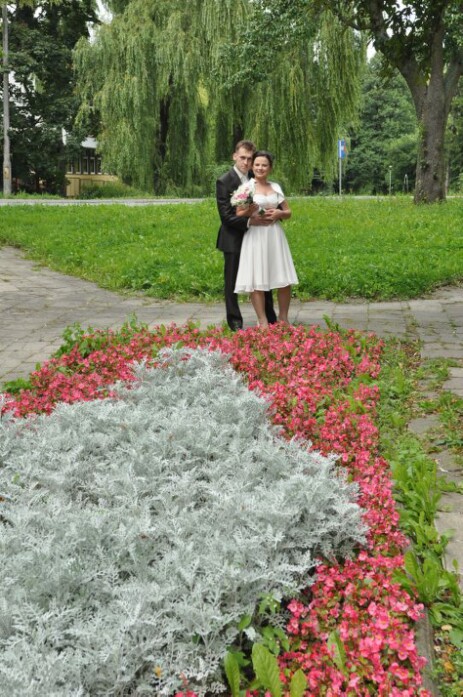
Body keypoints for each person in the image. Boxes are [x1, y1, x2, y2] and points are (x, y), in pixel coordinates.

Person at [216, 140, 277, 331]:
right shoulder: (224, 181)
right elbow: (226, 217)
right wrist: (250, 221)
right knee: (232, 281)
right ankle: (235, 322)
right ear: (234, 156)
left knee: (262, 276)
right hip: (233, 237)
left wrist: (271, 214)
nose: (246, 162)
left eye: (250, 159)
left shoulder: (256, 177)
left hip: (257, 237)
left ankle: (270, 318)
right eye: (242, 157)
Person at [234, 150, 298, 327]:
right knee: (257, 278)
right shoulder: (245, 188)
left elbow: (288, 212)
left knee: (283, 277)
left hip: (275, 235)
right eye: (257, 164)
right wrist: (250, 211)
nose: (260, 168)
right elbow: (238, 213)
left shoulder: (276, 187)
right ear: (252, 167)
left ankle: (283, 318)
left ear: (270, 168)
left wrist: (279, 213)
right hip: (256, 236)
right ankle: (262, 321)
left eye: (264, 165)